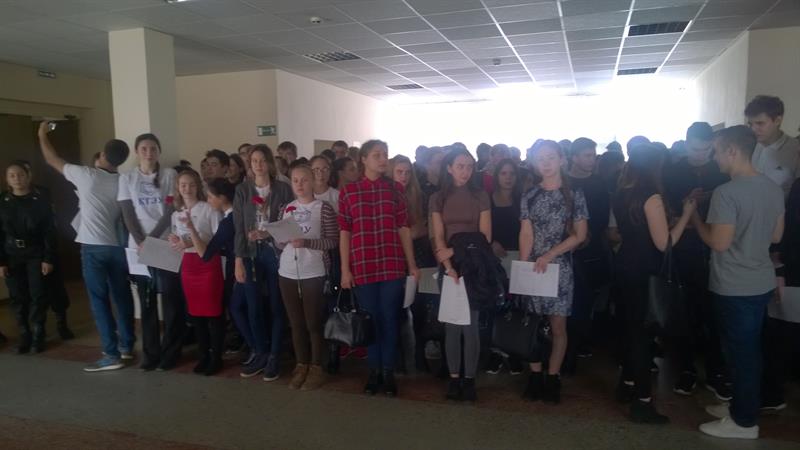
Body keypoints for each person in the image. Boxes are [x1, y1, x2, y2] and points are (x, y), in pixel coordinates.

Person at [692, 126, 784, 440]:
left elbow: (718, 243)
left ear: (732, 151)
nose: (714, 157)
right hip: (760, 280)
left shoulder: (727, 193)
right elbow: (776, 236)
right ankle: (740, 406)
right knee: (747, 349)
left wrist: (695, 219)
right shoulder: (772, 187)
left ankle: (744, 422)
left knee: (741, 353)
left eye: (717, 151)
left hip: (734, 284)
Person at [38, 123, 135, 371]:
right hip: (118, 248)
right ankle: (126, 348)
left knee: (99, 301)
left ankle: (111, 355)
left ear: (102, 155)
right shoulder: (123, 181)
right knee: (122, 297)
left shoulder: (87, 175)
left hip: (93, 247)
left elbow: (52, 159)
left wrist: (41, 134)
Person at [613, 143, 696, 423]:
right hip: (644, 270)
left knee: (630, 329)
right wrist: (687, 214)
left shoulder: (622, 192)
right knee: (642, 336)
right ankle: (643, 401)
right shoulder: (651, 197)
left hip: (624, 264)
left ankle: (626, 385)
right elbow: (665, 243)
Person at [338, 140, 420, 397]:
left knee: (389, 318)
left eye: (385, 154)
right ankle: (374, 371)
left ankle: (388, 371)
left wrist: (412, 264)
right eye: (377, 155)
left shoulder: (395, 189)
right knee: (370, 320)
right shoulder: (349, 192)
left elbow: (403, 228)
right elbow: (345, 232)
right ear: (363, 159)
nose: (383, 159)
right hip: (363, 264)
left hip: (392, 264)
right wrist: (345, 270)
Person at [662, 122, 731, 400]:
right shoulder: (673, 171)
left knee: (715, 315)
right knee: (685, 314)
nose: (700, 155)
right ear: (686, 142)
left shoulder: (721, 170)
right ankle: (686, 369)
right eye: (694, 149)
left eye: (705, 150)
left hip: (717, 250)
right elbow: (665, 211)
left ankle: (716, 371)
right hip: (685, 250)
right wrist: (685, 208)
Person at [519, 140, 589, 404]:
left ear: (561, 159)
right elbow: (526, 233)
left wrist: (550, 254)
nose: (546, 163)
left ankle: (553, 376)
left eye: (550, 157)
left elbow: (579, 235)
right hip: (534, 267)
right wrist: (523, 265)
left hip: (560, 268)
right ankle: (535, 374)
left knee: (558, 325)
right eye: (541, 159)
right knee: (533, 324)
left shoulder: (574, 194)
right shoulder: (529, 195)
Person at [430, 148, 491, 402]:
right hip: (448, 265)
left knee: (471, 325)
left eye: (469, 166)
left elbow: (485, 237)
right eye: (460, 166)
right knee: (452, 325)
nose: (465, 171)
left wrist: (456, 251)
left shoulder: (480, 195)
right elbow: (437, 236)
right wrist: (448, 265)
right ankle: (454, 378)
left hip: (475, 265)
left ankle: (469, 378)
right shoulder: (437, 198)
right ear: (449, 168)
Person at [118, 133, 182, 372]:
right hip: (138, 247)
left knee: (171, 300)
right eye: (144, 148)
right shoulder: (127, 178)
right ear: (137, 152)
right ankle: (150, 354)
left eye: (153, 148)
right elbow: (127, 213)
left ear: (159, 151)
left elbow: (170, 209)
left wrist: (152, 240)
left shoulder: (169, 175)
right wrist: (141, 241)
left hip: (165, 242)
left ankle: (171, 353)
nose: (149, 153)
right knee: (146, 301)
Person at [233, 144, 293, 380]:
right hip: (250, 253)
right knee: (253, 305)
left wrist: (267, 233)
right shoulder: (243, 190)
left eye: (262, 160)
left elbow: (289, 222)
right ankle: (260, 352)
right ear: (250, 164)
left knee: (277, 305)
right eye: (254, 160)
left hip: (275, 253)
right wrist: (238, 260)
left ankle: (274, 355)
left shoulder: (283, 189)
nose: (258, 164)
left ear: (269, 162)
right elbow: (239, 228)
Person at [277, 164, 338, 390]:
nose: (299, 185)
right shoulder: (287, 208)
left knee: (313, 322)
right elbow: (279, 242)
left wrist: (307, 242)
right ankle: (301, 365)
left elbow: (332, 240)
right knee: (296, 323)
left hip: (313, 270)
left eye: (304, 180)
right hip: (287, 271)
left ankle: (317, 366)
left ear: (312, 181)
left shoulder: (324, 208)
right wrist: (279, 238)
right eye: (295, 181)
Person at [166, 170, 224, 376]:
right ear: (178, 188)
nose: (187, 188)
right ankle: (203, 355)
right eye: (183, 185)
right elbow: (179, 237)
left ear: (198, 186)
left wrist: (191, 240)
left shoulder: (208, 209)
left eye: (191, 184)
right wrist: (175, 240)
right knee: (196, 314)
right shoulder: (176, 213)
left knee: (213, 313)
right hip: (188, 265)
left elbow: (218, 238)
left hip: (207, 263)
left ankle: (216, 356)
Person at [564, 138, 611, 374]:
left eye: (593, 155)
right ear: (574, 157)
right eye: (587, 155)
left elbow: (602, 216)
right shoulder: (564, 182)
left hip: (590, 250)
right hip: (566, 248)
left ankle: (575, 347)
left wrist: (587, 234)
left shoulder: (599, 183)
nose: (592, 160)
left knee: (583, 302)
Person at [0, 161, 56, 354]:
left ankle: (38, 333)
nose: (17, 179)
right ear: (7, 179)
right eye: (12, 175)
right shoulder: (3, 201)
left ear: (28, 176)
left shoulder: (40, 199)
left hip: (35, 252)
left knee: (37, 294)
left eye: (20, 174)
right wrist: (1, 261)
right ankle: (24, 334)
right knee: (17, 296)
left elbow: (49, 231)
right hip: (12, 254)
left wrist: (48, 258)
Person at [389, 155, 432, 374]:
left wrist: (409, 233)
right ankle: (398, 355)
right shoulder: (385, 196)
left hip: (420, 256)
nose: (403, 176)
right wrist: (409, 233)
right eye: (399, 172)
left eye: (407, 172)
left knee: (420, 308)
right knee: (396, 309)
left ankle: (419, 354)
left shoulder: (419, 196)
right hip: (394, 258)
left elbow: (426, 228)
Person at [485, 159, 524, 375]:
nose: (508, 178)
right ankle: (495, 352)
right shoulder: (488, 200)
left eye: (512, 173)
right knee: (496, 306)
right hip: (496, 259)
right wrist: (491, 243)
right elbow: (481, 228)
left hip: (519, 258)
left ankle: (514, 352)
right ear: (497, 176)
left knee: (516, 307)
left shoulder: (523, 199)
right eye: (503, 173)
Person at [746, 95, 800, 196]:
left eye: (760, 123)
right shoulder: (748, 145)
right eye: (750, 124)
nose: (753, 129)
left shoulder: (796, 149)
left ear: (778, 121)